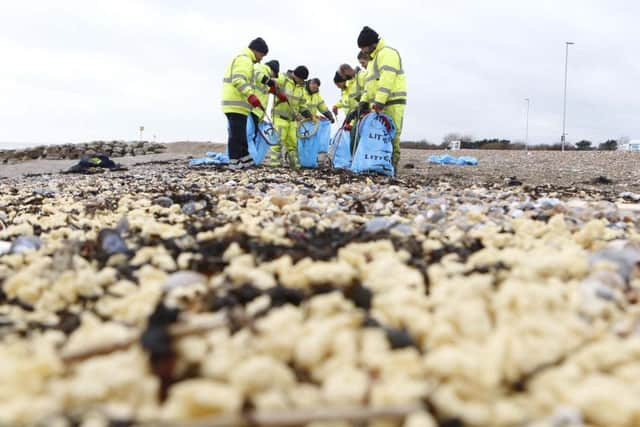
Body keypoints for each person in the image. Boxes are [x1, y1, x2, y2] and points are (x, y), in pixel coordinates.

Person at [357, 26, 407, 169]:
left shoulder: (388, 54)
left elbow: (387, 80)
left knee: (392, 134)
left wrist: (379, 101)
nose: (363, 51)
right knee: (377, 135)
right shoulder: (373, 60)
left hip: (392, 102)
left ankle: (392, 166)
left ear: (372, 44)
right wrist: (363, 102)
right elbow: (369, 85)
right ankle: (379, 166)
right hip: (379, 105)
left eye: (364, 48)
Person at [221, 37, 269, 170]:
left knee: (241, 134)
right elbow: (238, 80)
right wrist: (251, 95)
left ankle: (246, 160)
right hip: (235, 103)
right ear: (256, 50)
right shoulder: (244, 60)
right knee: (236, 135)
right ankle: (234, 162)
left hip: (239, 104)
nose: (261, 59)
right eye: (262, 55)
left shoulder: (246, 61)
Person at [270, 66, 311, 168]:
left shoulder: (301, 88)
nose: (302, 82)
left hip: (292, 120)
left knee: (293, 143)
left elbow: (302, 104)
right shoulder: (282, 78)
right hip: (279, 117)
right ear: (296, 75)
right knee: (278, 141)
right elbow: (269, 83)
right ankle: (275, 165)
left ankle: (295, 165)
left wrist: (307, 113)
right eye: (301, 79)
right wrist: (277, 92)